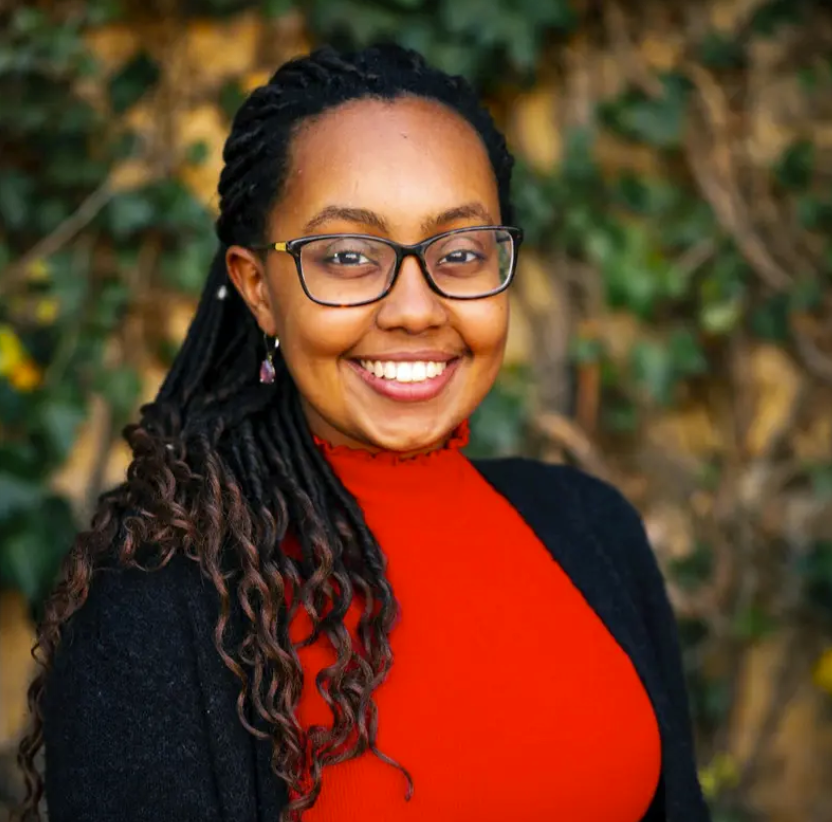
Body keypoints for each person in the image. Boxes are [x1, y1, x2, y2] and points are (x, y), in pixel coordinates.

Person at [17, 44, 710, 822]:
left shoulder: (592, 531)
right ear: (258, 289)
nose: (415, 308)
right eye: (348, 256)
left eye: (459, 251)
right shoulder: (158, 611)